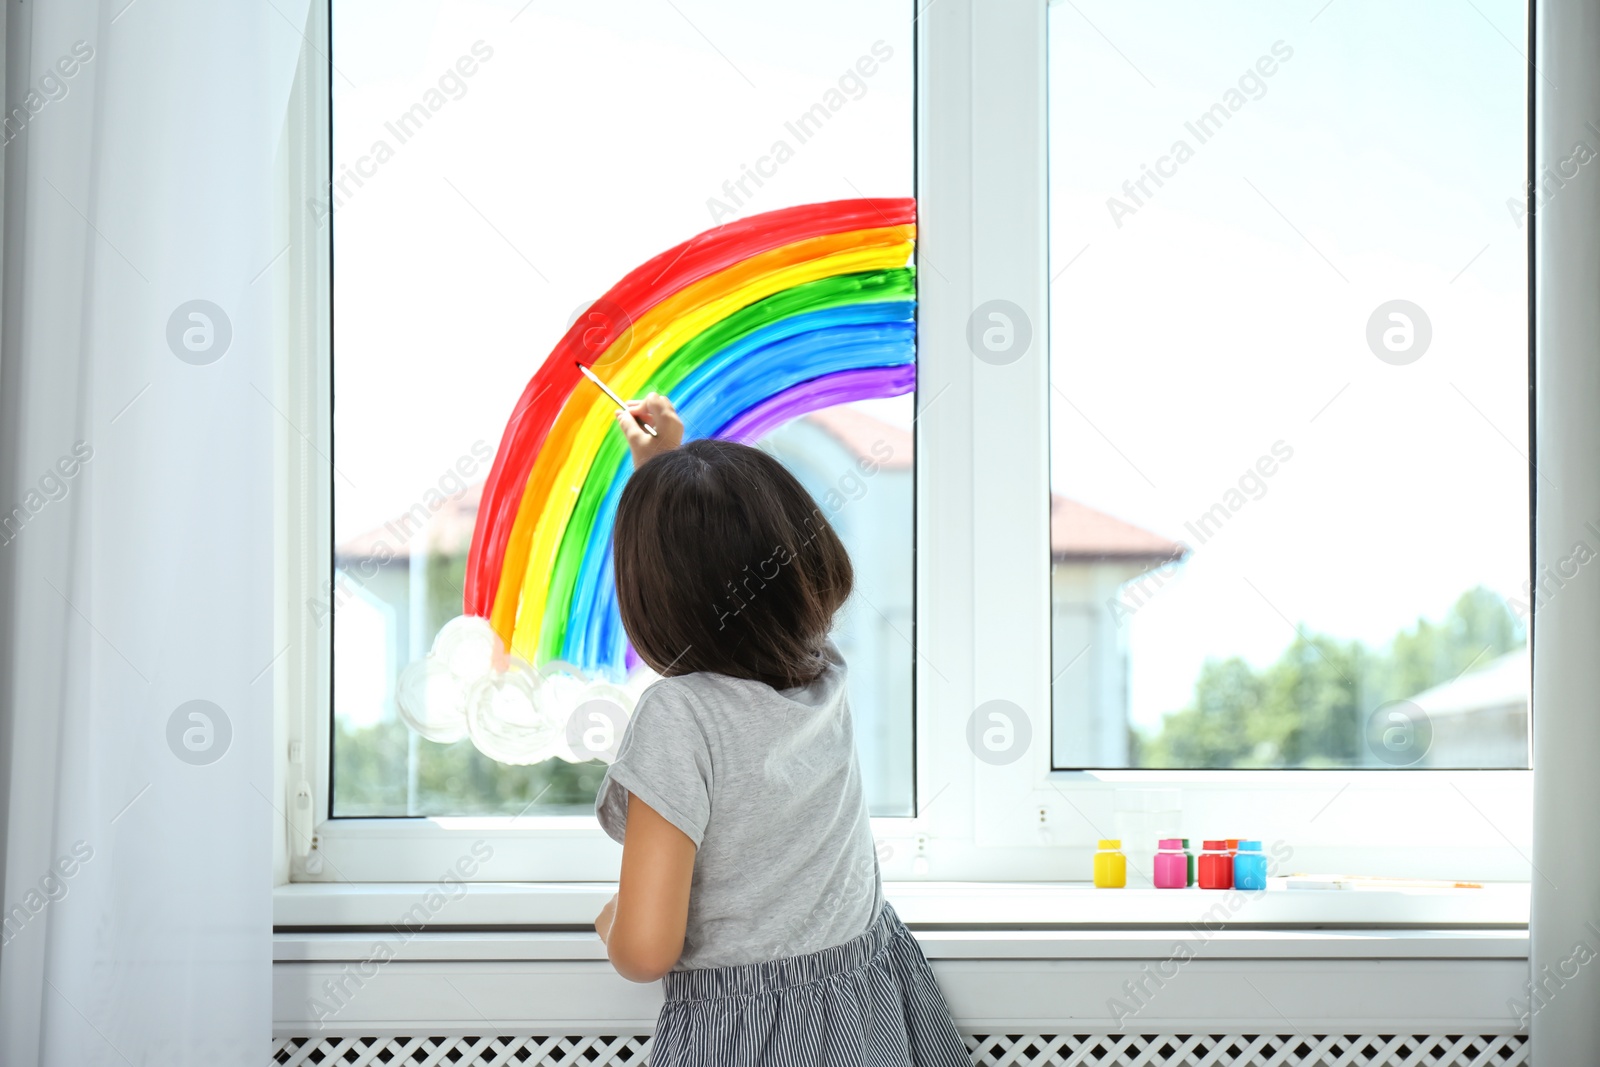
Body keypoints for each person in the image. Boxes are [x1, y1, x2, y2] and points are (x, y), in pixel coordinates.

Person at [591, 392, 969, 1067]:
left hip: (752, 1036)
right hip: (868, 1007)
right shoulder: (822, 676)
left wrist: (612, 921)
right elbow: (739, 573)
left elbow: (645, 950)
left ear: (650, 595)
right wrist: (666, 468)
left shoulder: (678, 718)